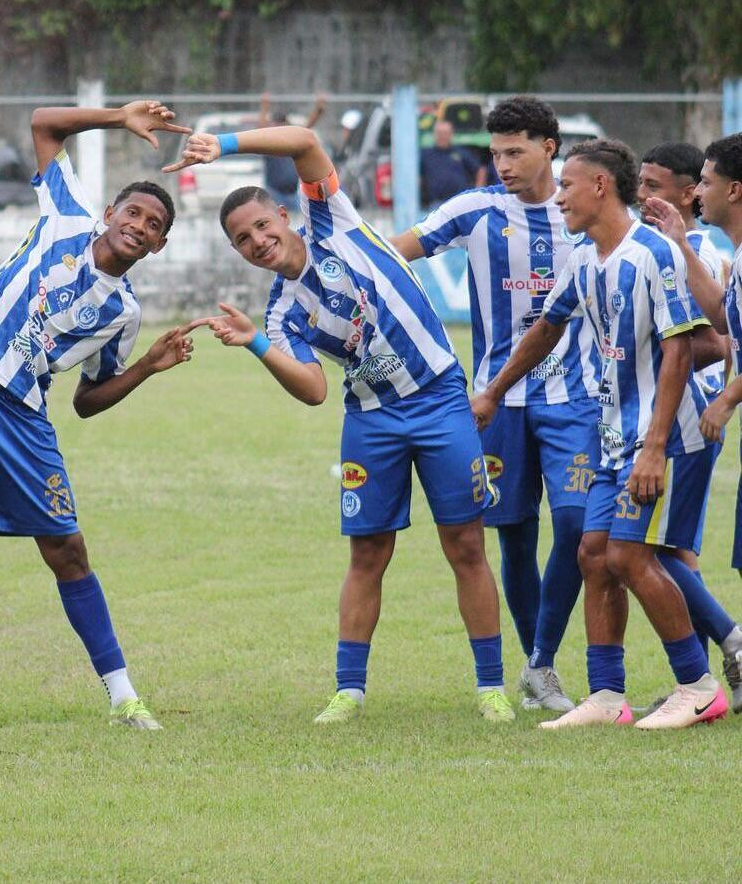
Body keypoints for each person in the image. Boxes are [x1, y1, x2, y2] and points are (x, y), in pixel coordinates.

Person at [165, 123, 515, 724]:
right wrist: (255, 344)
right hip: (371, 420)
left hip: (439, 400)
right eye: (243, 241)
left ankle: (491, 687)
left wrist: (222, 145)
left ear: (285, 214)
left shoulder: (331, 220)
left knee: (464, 545)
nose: (258, 241)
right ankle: (348, 690)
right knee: (367, 554)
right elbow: (314, 389)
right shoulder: (280, 311)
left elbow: (303, 139)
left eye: (262, 226)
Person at [0, 100, 194, 733]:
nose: (139, 223)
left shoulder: (123, 315)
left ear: (160, 246)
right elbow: (44, 123)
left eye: (154, 223)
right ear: (109, 213)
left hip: (22, 414)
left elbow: (86, 399)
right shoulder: (66, 214)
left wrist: (148, 366)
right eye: (132, 211)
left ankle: (123, 697)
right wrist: (119, 117)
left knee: (68, 549)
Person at [472, 139, 728, 729]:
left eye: (567, 185)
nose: (558, 197)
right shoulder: (584, 260)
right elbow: (546, 329)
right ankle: (608, 696)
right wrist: (493, 391)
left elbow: (678, 349)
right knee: (593, 554)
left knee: (630, 555)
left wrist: (655, 447)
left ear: (600, 188)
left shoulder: (653, 253)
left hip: (663, 436)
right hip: (612, 434)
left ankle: (698, 684)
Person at [392, 96, 599, 712]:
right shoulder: (476, 210)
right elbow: (390, 253)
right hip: (495, 400)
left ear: (549, 148)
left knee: (574, 525)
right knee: (513, 536)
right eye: (496, 153)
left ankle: (539, 662)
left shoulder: (582, 212)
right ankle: (542, 673)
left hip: (575, 395)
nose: (503, 164)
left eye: (516, 151)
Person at [642, 133, 742, 711]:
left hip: (688, 419)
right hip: (683, 417)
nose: (643, 198)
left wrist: (726, 397)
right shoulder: (706, 251)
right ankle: (702, 677)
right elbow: (725, 317)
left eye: (703, 182)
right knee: (669, 552)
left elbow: (712, 341)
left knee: (642, 550)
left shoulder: (707, 250)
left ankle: (724, 652)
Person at [258, 92, 327, 209]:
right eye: (276, 124)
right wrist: (264, 107)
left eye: (281, 123)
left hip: (292, 194)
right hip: (274, 193)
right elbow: (261, 131)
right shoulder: (269, 143)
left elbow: (307, 128)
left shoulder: (291, 141)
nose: (278, 127)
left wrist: (319, 109)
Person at [419, 119, 486, 206]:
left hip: (460, 203)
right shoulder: (425, 154)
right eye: (440, 133)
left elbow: (480, 170)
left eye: (446, 133)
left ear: (452, 134)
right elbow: (415, 176)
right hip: (436, 205)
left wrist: (478, 193)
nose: (442, 136)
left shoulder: (461, 152)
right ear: (434, 134)